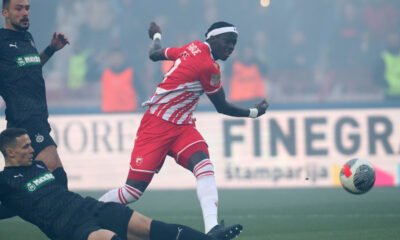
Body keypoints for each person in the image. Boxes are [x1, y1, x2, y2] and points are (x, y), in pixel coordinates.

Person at [99, 21, 268, 237]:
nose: (231, 47)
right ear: (212, 39)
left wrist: (157, 35)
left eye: (234, 43)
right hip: (157, 126)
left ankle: (212, 229)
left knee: (204, 166)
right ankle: (88, 212)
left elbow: (155, 54)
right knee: (132, 192)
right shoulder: (209, 66)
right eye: (227, 41)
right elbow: (222, 106)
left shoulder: (192, 47)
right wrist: (254, 113)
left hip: (182, 126)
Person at [0, 128, 243, 240]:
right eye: (26, 146)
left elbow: (60, 183)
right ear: (9, 152)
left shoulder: (39, 167)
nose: (33, 149)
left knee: (154, 229)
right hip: (70, 228)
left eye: (31, 144)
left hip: (89, 207)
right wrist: (23, 208)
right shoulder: (6, 182)